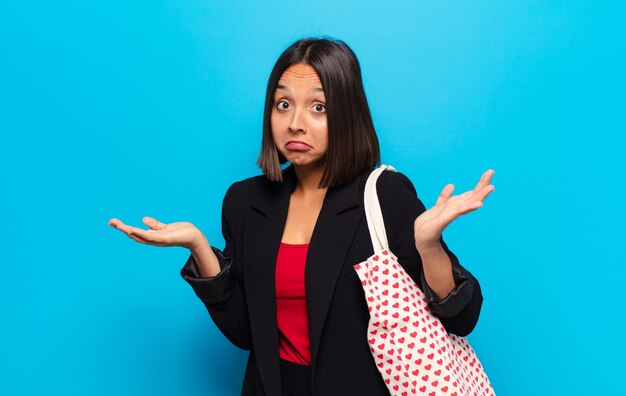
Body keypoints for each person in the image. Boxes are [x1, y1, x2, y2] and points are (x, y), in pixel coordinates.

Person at [109, 37, 495, 396]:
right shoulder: (245, 201)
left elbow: (462, 321)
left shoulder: (383, 195)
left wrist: (428, 247)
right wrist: (198, 246)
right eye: (283, 104)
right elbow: (247, 333)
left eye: (318, 107)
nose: (295, 122)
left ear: (347, 114)